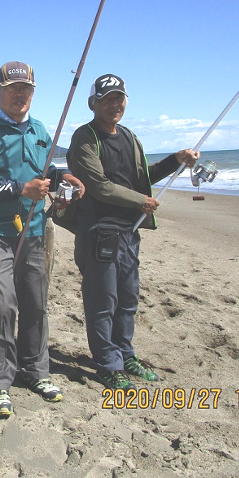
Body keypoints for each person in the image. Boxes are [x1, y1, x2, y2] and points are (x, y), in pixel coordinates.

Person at [66, 74, 199, 392]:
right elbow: (98, 186)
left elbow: (143, 177)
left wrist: (174, 160)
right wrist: (142, 201)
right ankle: (107, 364)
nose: (114, 103)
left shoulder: (129, 136)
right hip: (98, 231)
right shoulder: (85, 138)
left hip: (129, 230)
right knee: (103, 300)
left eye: (119, 98)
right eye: (107, 98)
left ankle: (125, 355)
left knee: (127, 299)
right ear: (92, 103)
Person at [0, 61, 83, 418]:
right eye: (12, 89)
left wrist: (66, 179)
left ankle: (36, 372)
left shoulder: (39, 129)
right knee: (0, 306)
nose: (20, 95)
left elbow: (47, 169)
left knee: (36, 303)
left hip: (35, 230)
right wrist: (23, 188)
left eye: (26, 89)